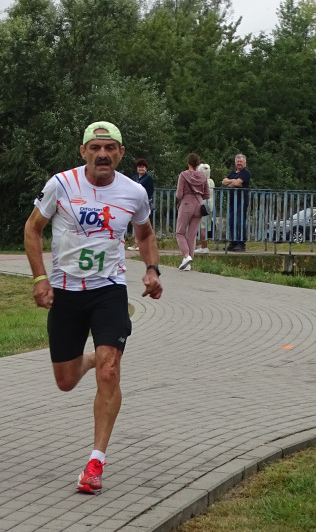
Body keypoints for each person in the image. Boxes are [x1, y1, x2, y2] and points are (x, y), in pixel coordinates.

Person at [24, 121, 163, 495]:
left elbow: (145, 234)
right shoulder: (61, 184)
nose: (103, 154)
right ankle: (88, 360)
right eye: (96, 147)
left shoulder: (133, 192)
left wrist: (151, 269)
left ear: (120, 153)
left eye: (111, 148)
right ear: (83, 151)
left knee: (110, 369)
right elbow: (32, 229)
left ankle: (96, 460)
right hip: (67, 292)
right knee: (66, 381)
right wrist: (40, 278)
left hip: (109, 290)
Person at [174, 153, 210, 271]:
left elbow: (179, 195)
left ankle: (186, 255)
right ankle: (188, 264)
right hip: (199, 205)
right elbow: (207, 194)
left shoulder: (183, 175)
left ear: (188, 163)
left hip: (186, 204)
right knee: (192, 234)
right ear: (198, 164)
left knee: (180, 232)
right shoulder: (203, 176)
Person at [221, 154, 251, 252]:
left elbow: (237, 183)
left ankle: (241, 243)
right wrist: (233, 181)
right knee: (231, 221)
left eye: (241, 161)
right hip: (232, 200)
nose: (239, 163)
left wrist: (233, 182)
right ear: (235, 163)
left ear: (244, 162)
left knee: (240, 221)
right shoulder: (233, 172)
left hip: (241, 201)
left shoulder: (245, 173)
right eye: (237, 162)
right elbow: (224, 182)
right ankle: (233, 242)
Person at [125, 158, 155, 250]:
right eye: (139, 167)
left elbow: (150, 191)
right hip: (135, 203)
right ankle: (137, 243)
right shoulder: (134, 178)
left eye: (142, 167)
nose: (140, 169)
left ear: (146, 168)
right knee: (135, 223)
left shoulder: (148, 178)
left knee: (144, 224)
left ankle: (144, 244)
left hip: (144, 204)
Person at [196, 162, 215, 253]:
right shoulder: (211, 181)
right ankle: (204, 246)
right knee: (206, 226)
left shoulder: (202, 182)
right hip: (210, 205)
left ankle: (204, 247)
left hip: (203, 205)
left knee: (202, 226)